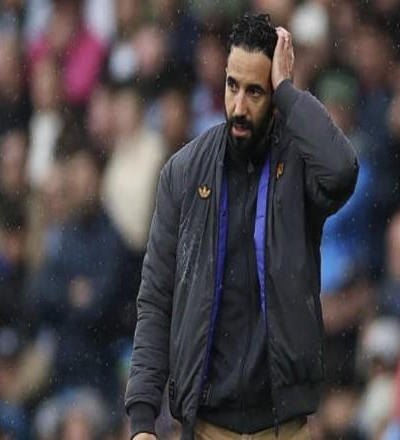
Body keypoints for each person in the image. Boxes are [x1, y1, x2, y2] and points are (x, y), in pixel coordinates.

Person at [125, 13, 358, 440]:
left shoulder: (299, 165)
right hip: (207, 426)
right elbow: (156, 299)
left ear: (275, 94)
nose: (238, 107)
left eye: (256, 91)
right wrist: (142, 421)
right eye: (232, 86)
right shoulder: (183, 173)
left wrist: (290, 93)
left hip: (285, 428)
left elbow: (341, 171)